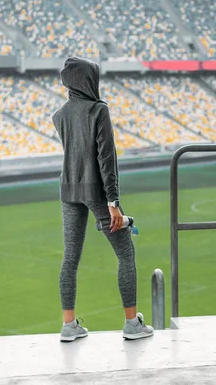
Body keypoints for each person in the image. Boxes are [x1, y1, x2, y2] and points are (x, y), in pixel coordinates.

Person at [52, 57, 154, 342]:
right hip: (96, 190)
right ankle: (132, 324)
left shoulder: (59, 115)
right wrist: (113, 202)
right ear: (88, 80)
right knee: (125, 252)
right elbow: (105, 158)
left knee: (70, 257)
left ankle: (68, 326)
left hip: (68, 190)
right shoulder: (99, 110)